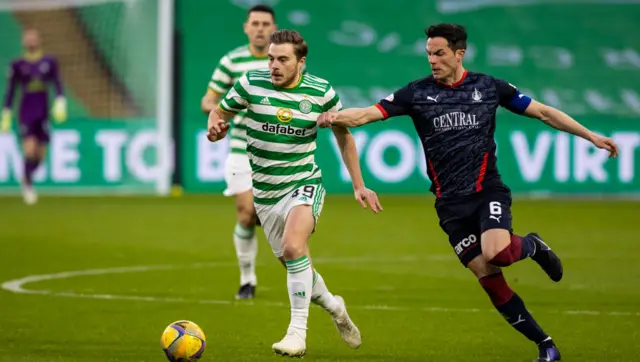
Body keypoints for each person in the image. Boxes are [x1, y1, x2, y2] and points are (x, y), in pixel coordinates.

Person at [316, 23, 619, 362]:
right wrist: (333, 117)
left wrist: (591, 136)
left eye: (440, 53)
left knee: (498, 253)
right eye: (429, 53)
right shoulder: (415, 93)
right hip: (449, 205)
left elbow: (545, 113)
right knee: (489, 279)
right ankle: (546, 345)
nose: (432, 60)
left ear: (460, 53)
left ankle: (533, 245)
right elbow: (367, 114)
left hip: (486, 190)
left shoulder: (489, 87)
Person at [206, 29, 382, 357]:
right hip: (266, 194)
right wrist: (214, 128)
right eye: (271, 58)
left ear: (300, 62)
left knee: (293, 246)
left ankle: (296, 333)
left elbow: (344, 136)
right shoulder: (249, 83)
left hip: (304, 183)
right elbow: (220, 113)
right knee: (297, 264)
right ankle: (335, 307)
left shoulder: (321, 92)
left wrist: (359, 184)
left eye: (282, 59)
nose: (273, 65)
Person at [200, 4, 277, 299]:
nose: (259, 28)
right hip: (240, 148)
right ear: (246, 27)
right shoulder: (231, 61)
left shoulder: (284, 61)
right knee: (246, 214)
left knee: (266, 215)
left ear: (273, 28)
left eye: (265, 23)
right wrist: (225, 109)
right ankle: (248, 279)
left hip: (276, 149)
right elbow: (208, 100)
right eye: (254, 23)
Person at [1, 28, 67, 204]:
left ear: (39, 40)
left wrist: (60, 100)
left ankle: (27, 175)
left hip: (43, 111)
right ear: (23, 42)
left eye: (33, 38)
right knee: (29, 149)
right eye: (27, 38)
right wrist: (6, 112)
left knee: (40, 155)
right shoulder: (17, 65)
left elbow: (57, 82)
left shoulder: (49, 62)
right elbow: (10, 91)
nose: (30, 41)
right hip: (26, 112)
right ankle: (27, 184)